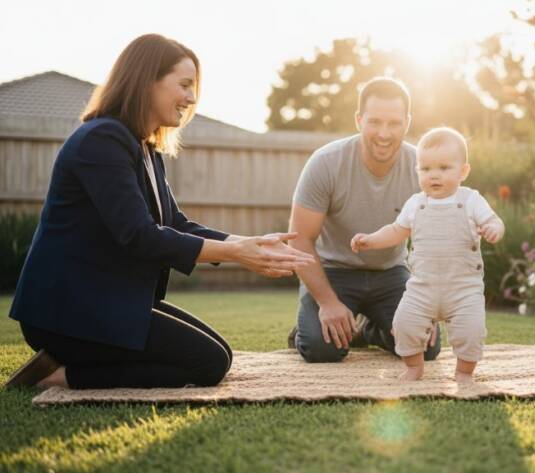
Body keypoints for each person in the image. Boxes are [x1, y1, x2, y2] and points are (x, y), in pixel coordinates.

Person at [4, 34, 314, 390]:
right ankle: (62, 375)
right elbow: (138, 235)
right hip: (66, 312)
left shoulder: (145, 147)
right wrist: (234, 253)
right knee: (207, 363)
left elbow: (175, 224)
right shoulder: (102, 140)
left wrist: (245, 242)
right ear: (146, 79)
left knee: (219, 353)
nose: (192, 98)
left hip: (105, 302)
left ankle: (73, 364)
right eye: (184, 85)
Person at [288, 77, 441, 362]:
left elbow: (432, 242)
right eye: (375, 122)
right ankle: (307, 326)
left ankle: (370, 330)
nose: (384, 133)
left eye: (394, 123)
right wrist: (327, 302)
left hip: (391, 273)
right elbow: (300, 240)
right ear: (359, 120)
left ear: (407, 123)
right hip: (334, 272)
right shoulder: (326, 163)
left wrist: (426, 302)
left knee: (425, 345)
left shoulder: (422, 168)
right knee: (322, 348)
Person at [351, 127, 505, 382]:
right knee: (404, 325)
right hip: (422, 288)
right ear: (417, 170)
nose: (434, 175)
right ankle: (413, 367)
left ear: (463, 171)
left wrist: (493, 229)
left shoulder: (471, 200)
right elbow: (395, 231)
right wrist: (371, 240)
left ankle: (464, 372)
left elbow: (495, 221)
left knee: (471, 331)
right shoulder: (415, 203)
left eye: (444, 168)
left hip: (463, 289)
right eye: (426, 169)